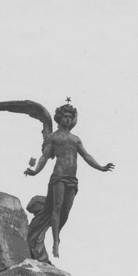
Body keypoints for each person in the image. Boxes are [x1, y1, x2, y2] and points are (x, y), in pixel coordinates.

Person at [25, 103, 114, 258]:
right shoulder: (54, 137)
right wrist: (35, 171)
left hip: (72, 178)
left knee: (65, 212)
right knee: (57, 208)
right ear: (60, 118)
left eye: (70, 117)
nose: (67, 119)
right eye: (65, 117)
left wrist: (101, 167)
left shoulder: (75, 139)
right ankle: (56, 242)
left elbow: (86, 156)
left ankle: (54, 234)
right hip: (59, 175)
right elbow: (45, 157)